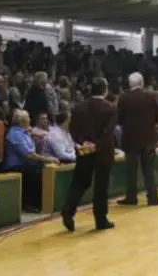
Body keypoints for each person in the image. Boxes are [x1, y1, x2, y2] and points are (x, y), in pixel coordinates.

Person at [61, 77, 117, 232]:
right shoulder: (111, 108)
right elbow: (108, 132)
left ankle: (68, 210)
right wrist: (97, 144)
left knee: (79, 182)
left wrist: (83, 142)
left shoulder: (79, 108)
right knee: (101, 186)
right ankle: (100, 220)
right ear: (105, 90)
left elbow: (72, 129)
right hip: (103, 152)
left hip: (84, 151)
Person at [116, 72, 158, 206]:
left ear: (129, 84)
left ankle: (131, 197)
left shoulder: (123, 98)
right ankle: (153, 197)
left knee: (131, 170)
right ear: (142, 83)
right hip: (148, 137)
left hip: (130, 138)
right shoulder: (152, 96)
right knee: (148, 170)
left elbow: (118, 119)